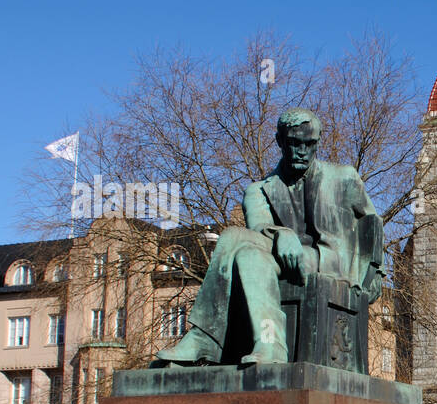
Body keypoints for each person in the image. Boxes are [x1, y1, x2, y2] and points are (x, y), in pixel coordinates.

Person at [154, 108, 383, 369]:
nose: (302, 151)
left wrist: (377, 273)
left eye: (309, 144)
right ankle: (269, 342)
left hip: (330, 262)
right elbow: (258, 229)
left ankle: (205, 338)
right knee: (245, 251)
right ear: (280, 142)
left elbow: (372, 223)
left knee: (235, 240)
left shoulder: (343, 177)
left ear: (317, 143)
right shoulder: (258, 191)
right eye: (294, 143)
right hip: (279, 258)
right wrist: (282, 234)